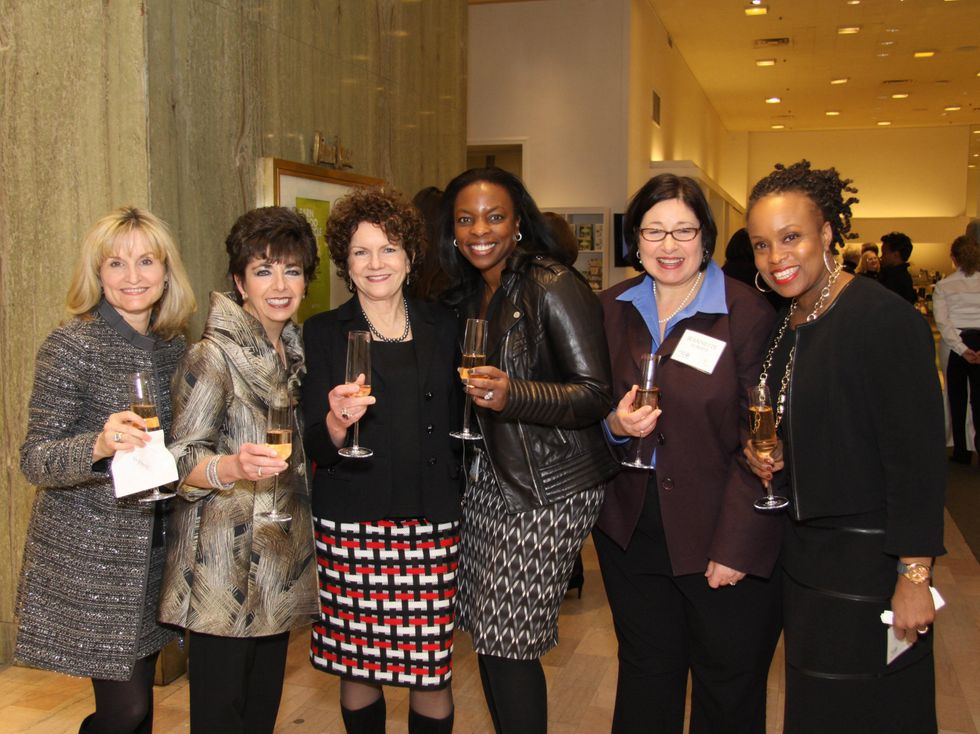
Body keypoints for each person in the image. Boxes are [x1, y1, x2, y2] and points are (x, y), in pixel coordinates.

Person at [744, 160, 946, 733]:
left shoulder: (884, 320)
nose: (776, 257)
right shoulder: (790, 321)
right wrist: (771, 454)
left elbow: (918, 461)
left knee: (877, 711)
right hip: (806, 560)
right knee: (817, 709)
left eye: (791, 237)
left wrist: (914, 576)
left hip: (871, 563)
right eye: (762, 244)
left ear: (827, 233)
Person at [596, 174, 783, 734]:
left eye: (683, 230)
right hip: (631, 529)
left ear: (706, 237)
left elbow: (765, 440)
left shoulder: (749, 315)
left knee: (727, 689)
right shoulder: (610, 309)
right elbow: (583, 410)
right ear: (635, 240)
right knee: (646, 682)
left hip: (718, 533)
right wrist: (612, 424)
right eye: (653, 231)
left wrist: (736, 545)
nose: (668, 245)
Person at [438, 167, 619, 733]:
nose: (479, 231)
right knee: (491, 637)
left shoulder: (551, 283)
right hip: (492, 478)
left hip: (549, 485)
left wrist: (514, 394)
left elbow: (594, 394)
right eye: (465, 219)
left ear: (519, 222)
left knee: (509, 640)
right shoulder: (473, 290)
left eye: (494, 217)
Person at [17, 207, 196, 734]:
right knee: (128, 710)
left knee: (140, 706)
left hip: (157, 550)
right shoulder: (71, 347)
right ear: (97, 274)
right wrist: (96, 444)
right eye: (116, 264)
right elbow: (35, 459)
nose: (133, 276)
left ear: (166, 272)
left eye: (146, 261)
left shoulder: (174, 348)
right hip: (95, 564)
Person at [301, 188, 462, 734]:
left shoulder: (448, 327)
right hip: (352, 522)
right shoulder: (323, 332)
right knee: (358, 663)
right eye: (361, 252)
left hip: (433, 518)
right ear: (345, 264)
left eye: (388, 249)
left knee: (431, 670)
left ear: (411, 256)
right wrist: (336, 423)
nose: (376, 264)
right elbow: (310, 442)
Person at [159, 207, 320, 733]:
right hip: (221, 572)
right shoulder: (211, 357)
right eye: (263, 269)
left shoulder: (295, 355)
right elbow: (177, 461)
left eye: (292, 270)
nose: (279, 285)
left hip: (275, 564)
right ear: (238, 281)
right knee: (220, 719)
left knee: (258, 716)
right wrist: (228, 465)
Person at [933, 235, 980, 465]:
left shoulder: (944, 285)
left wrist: (962, 348)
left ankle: (961, 449)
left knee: (956, 398)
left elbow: (942, 322)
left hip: (955, 343)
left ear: (954, 258)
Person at [878, 231, 917, 304]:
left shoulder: (894, 279)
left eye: (884, 253)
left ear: (896, 255)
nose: (881, 257)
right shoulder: (902, 277)